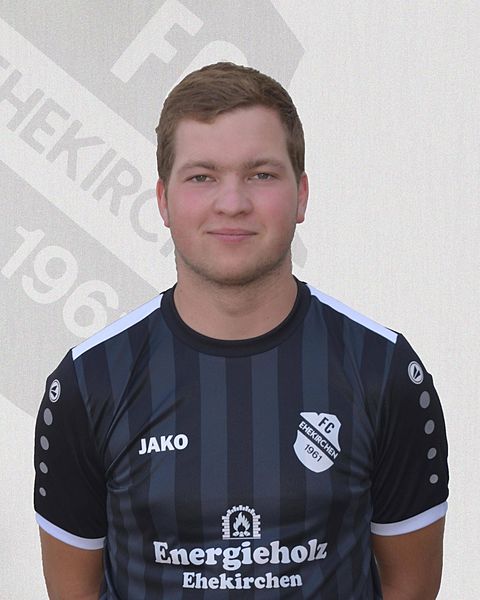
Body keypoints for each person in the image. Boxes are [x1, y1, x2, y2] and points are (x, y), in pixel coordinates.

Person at [34, 62, 449, 599]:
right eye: (202, 176)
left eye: (261, 174)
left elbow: (410, 587)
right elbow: (73, 591)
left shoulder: (384, 371)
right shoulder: (89, 382)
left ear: (302, 195)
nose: (232, 202)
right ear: (162, 201)